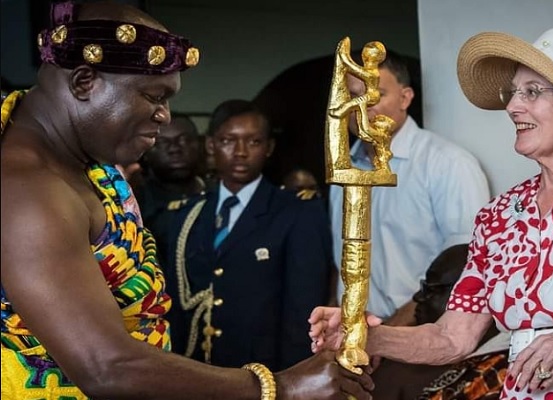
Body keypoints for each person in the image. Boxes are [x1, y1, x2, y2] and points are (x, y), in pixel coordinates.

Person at [0, 1, 373, 399]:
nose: (164, 115)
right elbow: (106, 368)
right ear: (84, 82)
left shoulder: (83, 162)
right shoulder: (26, 191)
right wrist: (280, 387)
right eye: (153, 96)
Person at [311, 28, 553, 400]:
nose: (512, 106)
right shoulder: (499, 217)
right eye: (513, 92)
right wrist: (362, 335)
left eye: (532, 91)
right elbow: (451, 337)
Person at [162, 99, 333, 372]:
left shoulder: (297, 212)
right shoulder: (188, 214)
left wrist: (293, 380)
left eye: (253, 142)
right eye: (229, 140)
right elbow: (176, 306)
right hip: (196, 371)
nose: (240, 152)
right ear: (211, 145)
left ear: (269, 148)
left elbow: (303, 312)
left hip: (263, 374)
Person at [328, 49, 490, 324]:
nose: (362, 106)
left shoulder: (448, 164)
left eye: (375, 94)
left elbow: (464, 268)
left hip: (420, 336)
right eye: (352, 96)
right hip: (354, 338)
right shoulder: (344, 170)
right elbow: (340, 259)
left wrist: (389, 335)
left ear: (405, 98)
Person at [370, 244, 508, 400]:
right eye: (424, 287)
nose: (418, 298)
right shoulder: (397, 370)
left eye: (434, 289)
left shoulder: (510, 371)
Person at [134, 112, 208, 253]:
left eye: (184, 140)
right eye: (162, 142)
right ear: (146, 152)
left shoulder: (220, 193)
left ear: (199, 144)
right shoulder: (136, 204)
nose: (174, 149)